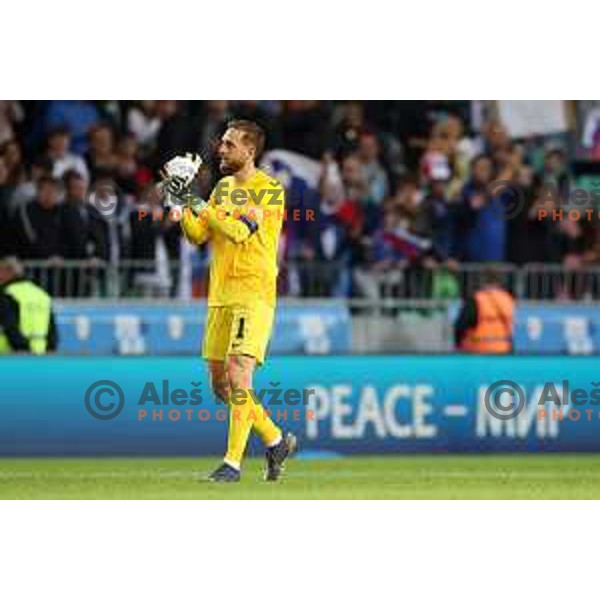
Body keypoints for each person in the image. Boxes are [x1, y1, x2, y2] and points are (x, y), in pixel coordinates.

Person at [161, 120, 297, 482]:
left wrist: (193, 198)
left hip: (253, 293)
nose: (221, 149)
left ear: (250, 151)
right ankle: (275, 438)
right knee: (221, 387)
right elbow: (196, 236)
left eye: (229, 144)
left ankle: (232, 464)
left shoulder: (269, 191)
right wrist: (178, 203)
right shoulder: (221, 189)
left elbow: (238, 231)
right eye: (222, 143)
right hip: (220, 296)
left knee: (239, 375)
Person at [0, 256, 58, 354]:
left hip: (11, 357)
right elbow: (52, 332)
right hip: (40, 355)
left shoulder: (7, 294)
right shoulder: (42, 294)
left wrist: (24, 349)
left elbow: (11, 327)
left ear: (8, 272)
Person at [455, 266, 515, 354]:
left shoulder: (476, 299)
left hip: (479, 350)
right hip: (503, 350)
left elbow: (461, 326)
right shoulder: (508, 299)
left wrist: (458, 346)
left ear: (482, 279)